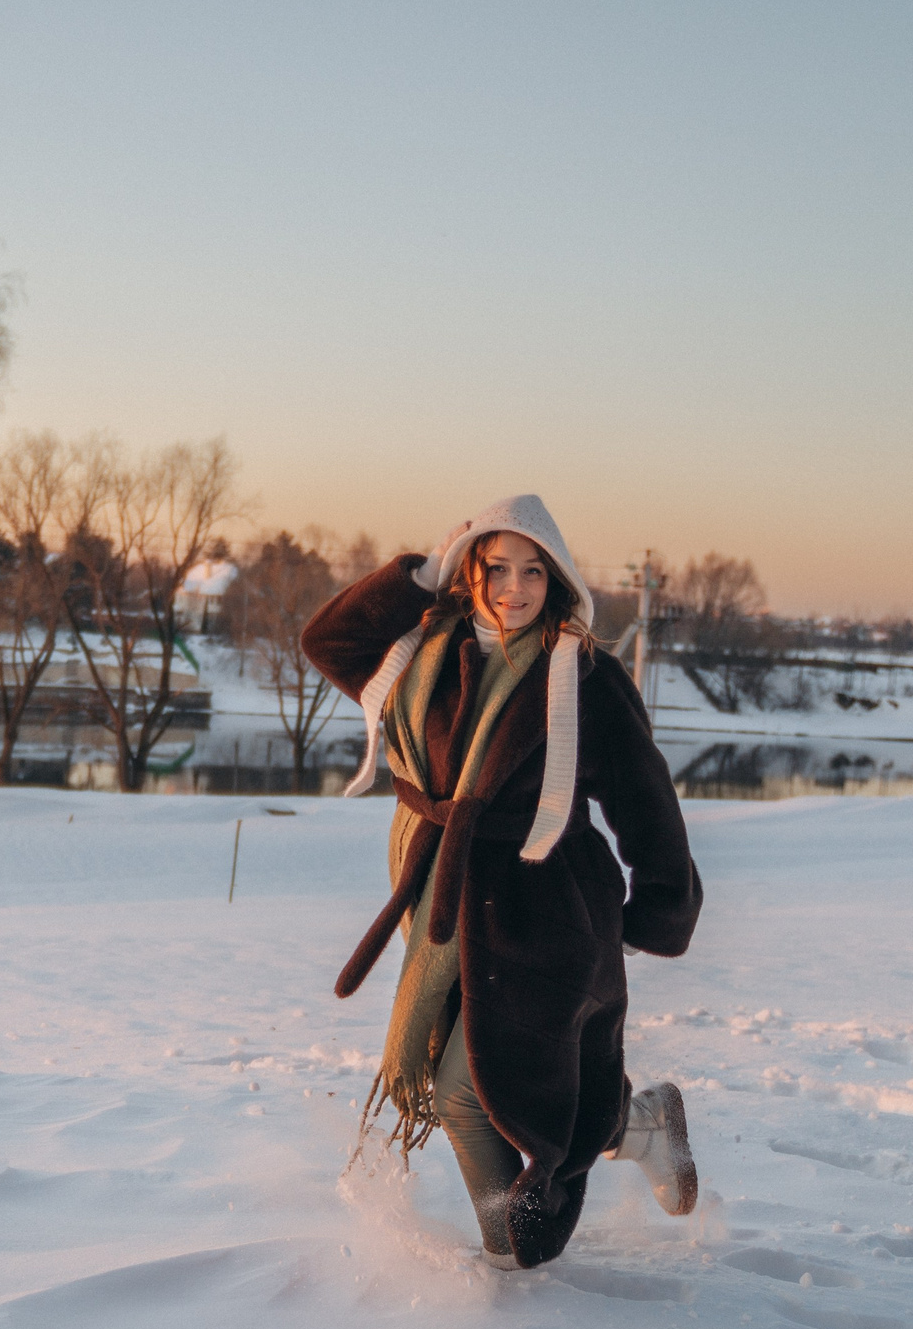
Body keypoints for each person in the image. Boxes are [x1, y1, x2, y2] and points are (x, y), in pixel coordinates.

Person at [301, 494, 704, 1269]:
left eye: (533, 572)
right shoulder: (424, 654)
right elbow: (329, 641)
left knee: (466, 1092)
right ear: (469, 573)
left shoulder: (583, 675)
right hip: (449, 903)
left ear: (558, 581)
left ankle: (510, 1258)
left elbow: (644, 795)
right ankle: (641, 1126)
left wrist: (658, 906)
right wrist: (421, 573)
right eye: (496, 569)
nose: (514, 589)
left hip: (546, 909)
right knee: (512, 1084)